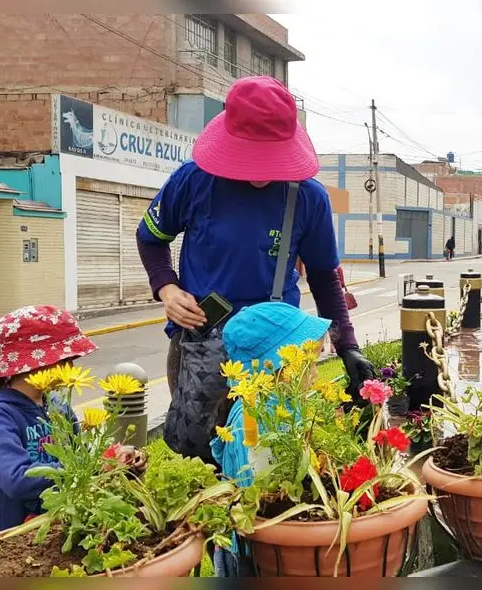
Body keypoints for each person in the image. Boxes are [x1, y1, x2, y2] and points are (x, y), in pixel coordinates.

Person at [136, 76, 376, 464]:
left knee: (271, 463)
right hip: (200, 344)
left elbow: (324, 278)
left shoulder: (308, 198)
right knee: (201, 462)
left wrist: (347, 345)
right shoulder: (194, 181)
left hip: (277, 352)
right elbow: (151, 238)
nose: (259, 169)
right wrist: (166, 288)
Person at [0, 305, 140, 532]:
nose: (71, 367)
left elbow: (78, 455)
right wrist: (91, 465)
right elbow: (17, 480)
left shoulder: (57, 403)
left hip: (61, 526)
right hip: (15, 538)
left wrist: (115, 460)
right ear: (35, 362)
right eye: (65, 359)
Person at [209, 301, 333, 576]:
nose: (314, 376)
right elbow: (261, 500)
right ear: (274, 367)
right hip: (257, 556)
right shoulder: (251, 421)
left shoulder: (282, 404)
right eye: (306, 366)